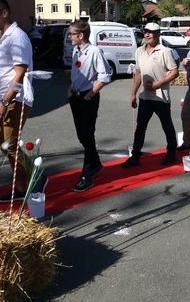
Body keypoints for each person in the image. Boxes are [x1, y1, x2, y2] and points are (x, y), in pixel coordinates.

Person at [0, 0, 33, 203]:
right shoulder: (2, 36)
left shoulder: (17, 37)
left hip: (16, 99)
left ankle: (36, 178)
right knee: (6, 146)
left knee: (9, 145)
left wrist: (4, 103)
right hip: (5, 100)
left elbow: (20, 73)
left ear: (4, 13)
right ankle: (22, 185)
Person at [122, 22, 179, 168]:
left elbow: (175, 72)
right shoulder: (139, 51)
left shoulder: (164, 51)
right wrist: (133, 94)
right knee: (140, 127)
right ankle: (135, 156)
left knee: (167, 127)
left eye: (151, 32)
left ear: (158, 34)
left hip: (161, 97)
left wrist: (158, 84)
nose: (147, 34)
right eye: (145, 31)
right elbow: (138, 73)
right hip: (145, 97)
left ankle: (171, 153)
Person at [65, 20, 111, 192]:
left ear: (81, 35)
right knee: (82, 135)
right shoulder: (76, 51)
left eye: (72, 33)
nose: (69, 37)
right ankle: (96, 164)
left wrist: (91, 94)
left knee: (87, 134)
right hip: (76, 97)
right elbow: (76, 72)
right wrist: (71, 90)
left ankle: (87, 174)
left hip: (87, 97)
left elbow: (105, 75)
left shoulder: (94, 51)